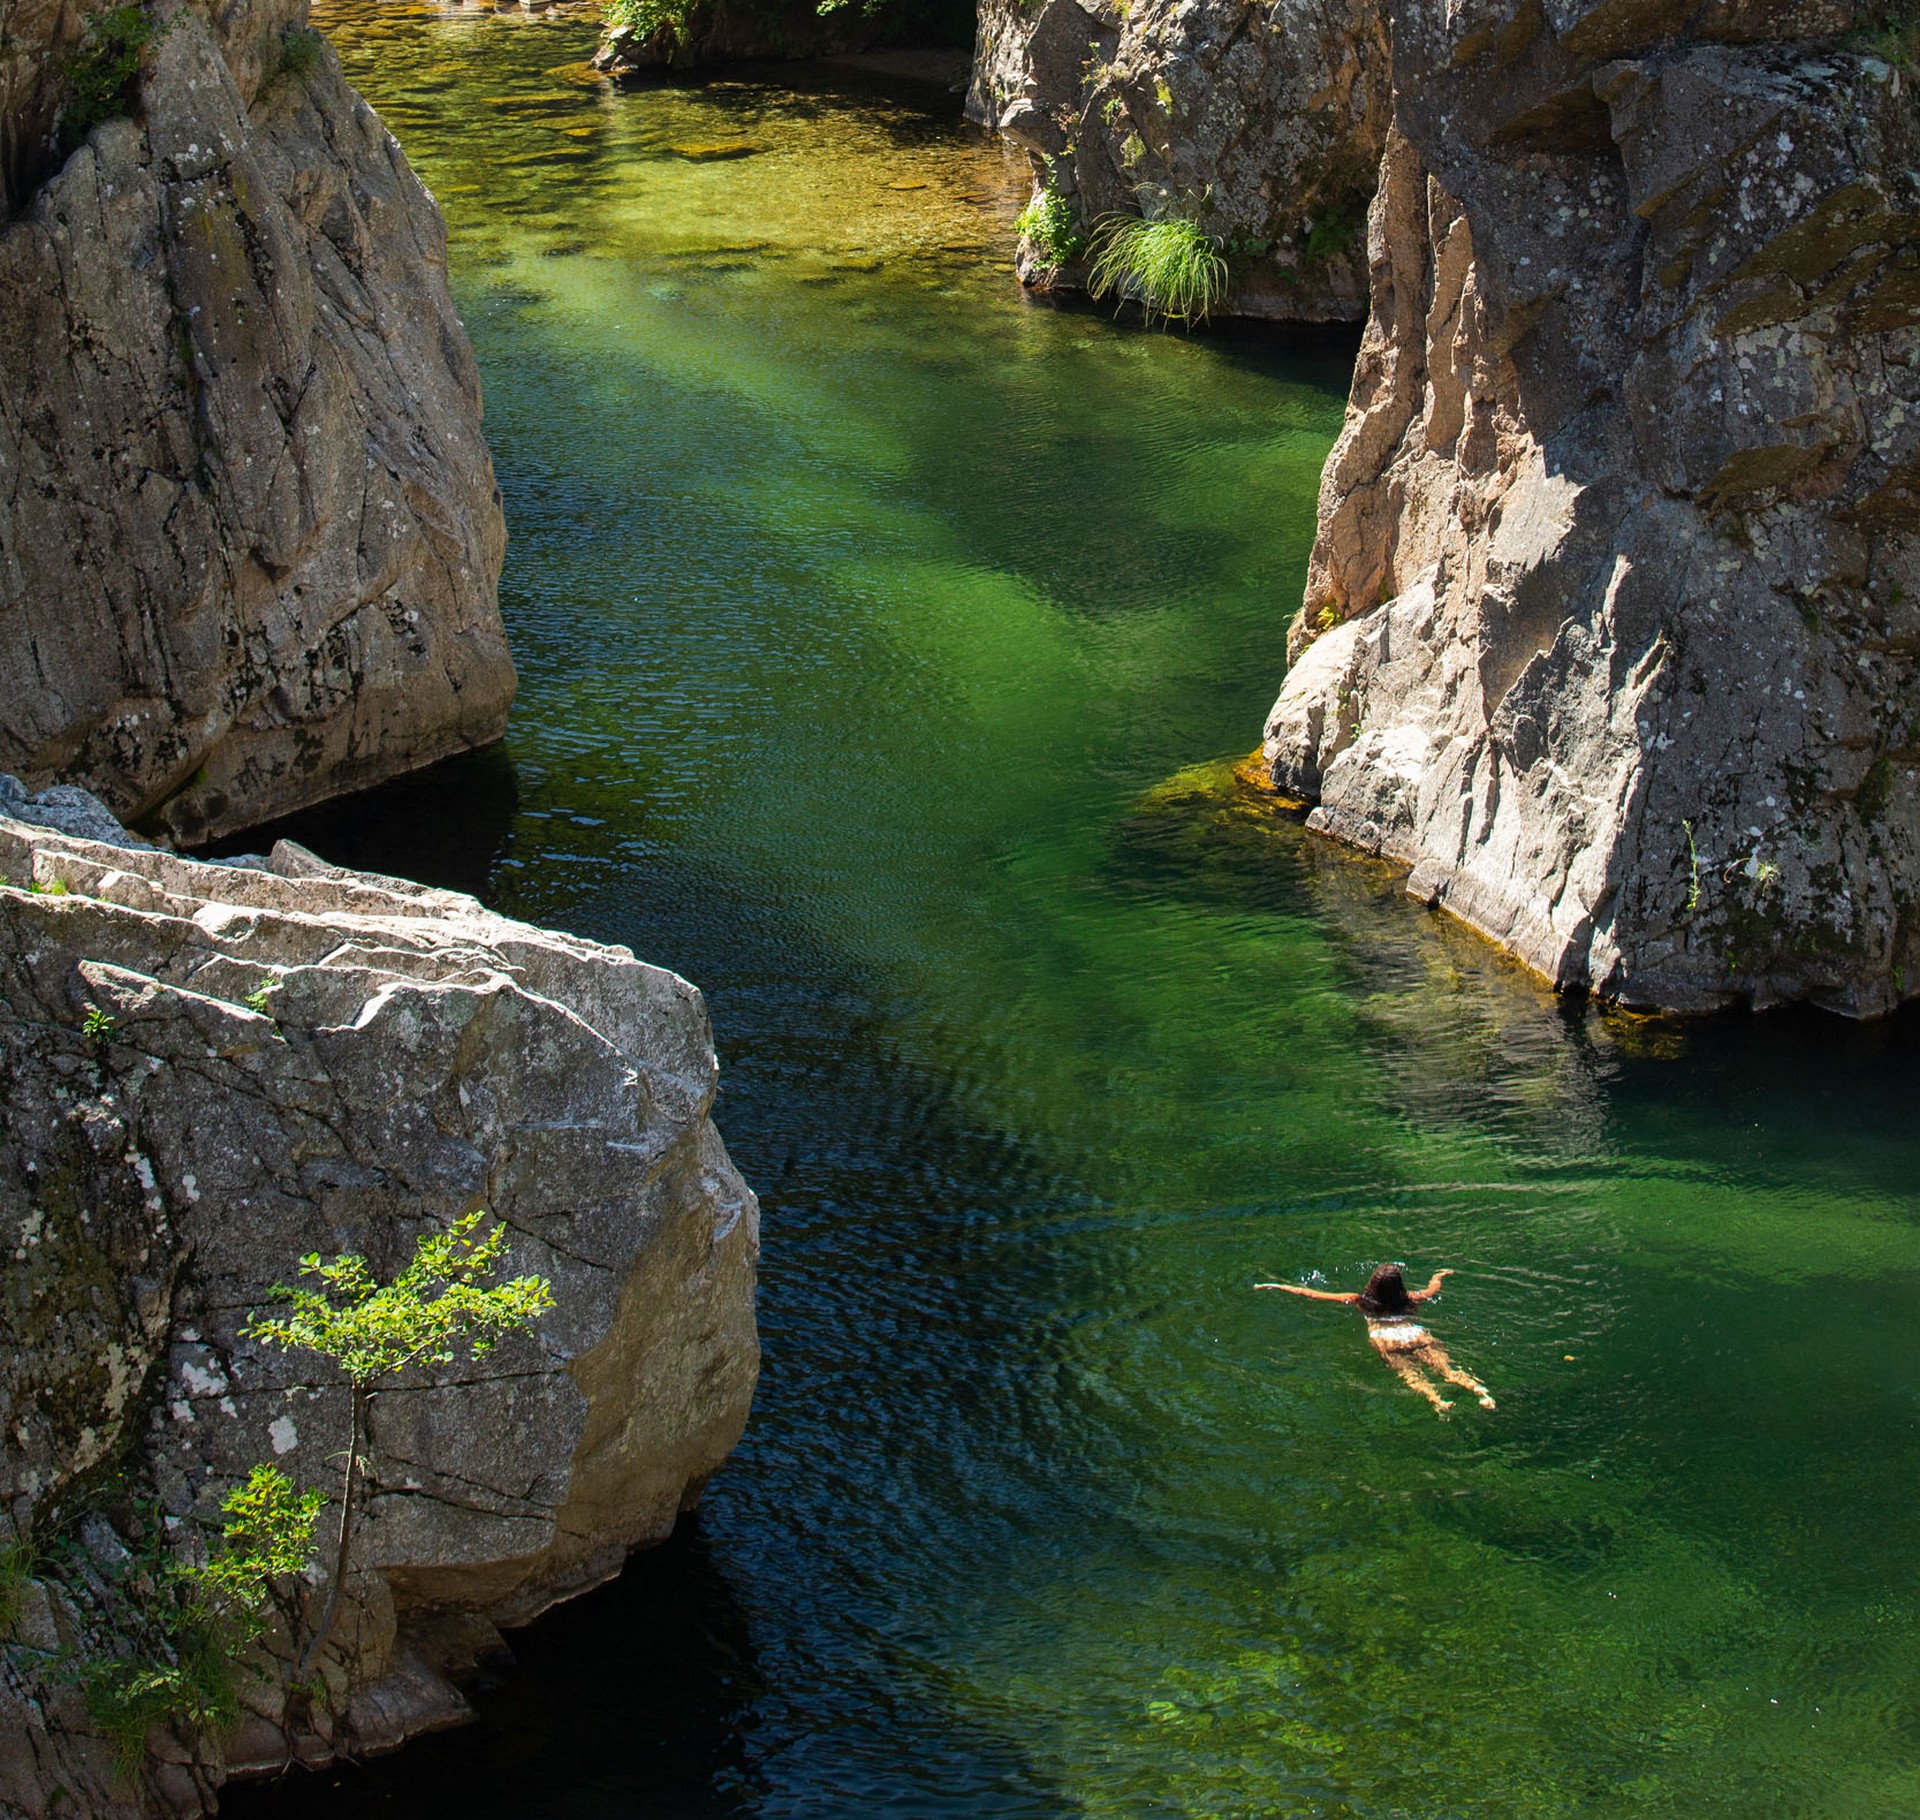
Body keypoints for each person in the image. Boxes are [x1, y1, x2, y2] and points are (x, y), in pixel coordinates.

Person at [1254, 1263, 1495, 1413]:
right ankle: (1479, 1391)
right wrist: (1439, 1275)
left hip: (1386, 1337)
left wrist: (1276, 1285)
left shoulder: (1361, 1301)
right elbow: (1434, 1290)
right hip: (1414, 1333)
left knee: (1410, 1373)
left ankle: (1437, 1400)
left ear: (1373, 1284)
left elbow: (1311, 1293)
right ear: (1400, 1285)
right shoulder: (1411, 1298)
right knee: (1447, 1368)